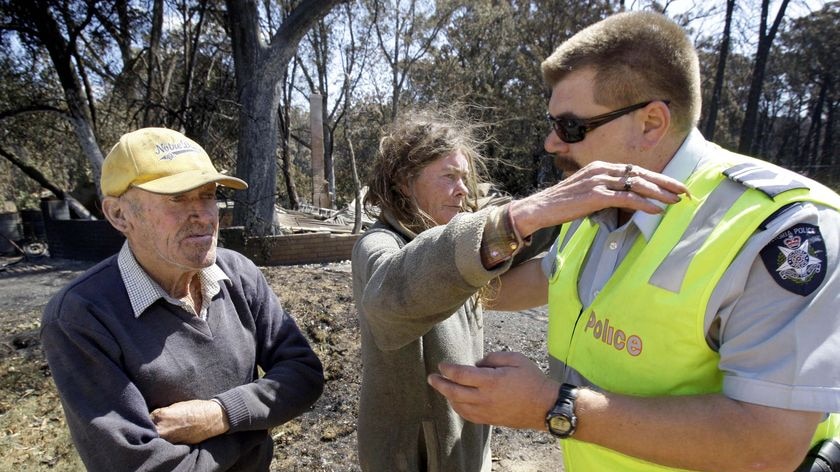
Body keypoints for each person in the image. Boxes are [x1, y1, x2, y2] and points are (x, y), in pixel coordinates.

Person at [427, 10, 840, 472]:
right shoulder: (601, 197)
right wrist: (431, 282)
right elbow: (545, 278)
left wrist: (548, 405)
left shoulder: (781, 229)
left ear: (651, 123)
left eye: (571, 127)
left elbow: (768, 446)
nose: (550, 143)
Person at [352, 108, 687, 471]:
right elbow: (388, 298)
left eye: (464, 177)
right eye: (449, 176)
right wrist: (526, 214)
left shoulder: (454, 239)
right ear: (404, 181)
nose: (462, 189)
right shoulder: (378, 244)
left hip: (464, 448)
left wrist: (572, 204)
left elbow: (514, 239)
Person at [40, 127, 324, 471]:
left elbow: (304, 374)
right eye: (178, 198)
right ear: (119, 215)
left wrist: (219, 415)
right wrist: (254, 428)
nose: (204, 215)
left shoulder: (237, 273)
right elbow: (142, 465)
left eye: (208, 195)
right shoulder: (80, 315)